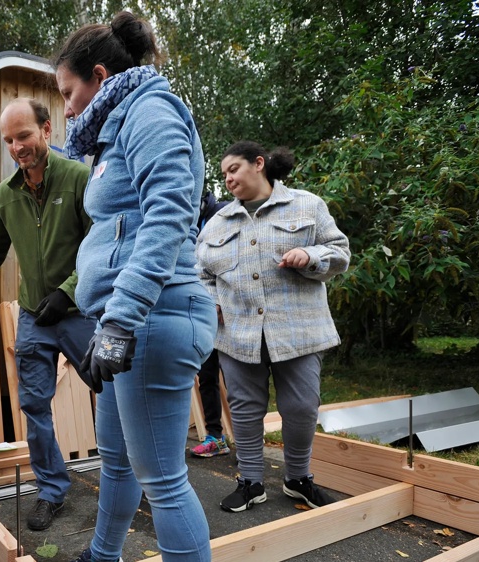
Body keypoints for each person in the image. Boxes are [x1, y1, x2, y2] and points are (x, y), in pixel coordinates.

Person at [54, 11, 216, 562]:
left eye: (69, 91)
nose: (67, 106)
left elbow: (169, 213)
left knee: (163, 479)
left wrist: (121, 318)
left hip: (152, 314)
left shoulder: (151, 110)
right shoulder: (114, 129)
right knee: (117, 462)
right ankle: (102, 556)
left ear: (99, 76)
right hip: (128, 319)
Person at [0, 97, 96, 532]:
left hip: (79, 311)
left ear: (47, 130)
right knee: (35, 404)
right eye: (9, 140)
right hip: (35, 316)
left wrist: (70, 289)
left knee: (115, 394)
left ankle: (135, 477)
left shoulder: (79, 178)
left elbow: (100, 247)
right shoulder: (6, 194)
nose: (17, 147)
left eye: (24, 136)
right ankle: (52, 490)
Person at [196, 141, 350, 513]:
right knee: (246, 410)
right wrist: (211, 299)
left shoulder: (307, 205)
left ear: (259, 164)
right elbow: (201, 272)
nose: (228, 178)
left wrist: (310, 256)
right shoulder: (217, 222)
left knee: (301, 408)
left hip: (298, 331)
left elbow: (340, 251)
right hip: (237, 334)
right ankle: (250, 482)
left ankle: (298, 478)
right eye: (224, 174)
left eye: (234, 169)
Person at [190, 191, 232, 459]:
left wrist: (221, 302)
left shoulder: (225, 212)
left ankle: (249, 439)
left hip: (230, 314)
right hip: (204, 314)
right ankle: (215, 437)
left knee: (237, 378)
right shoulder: (190, 223)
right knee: (206, 376)